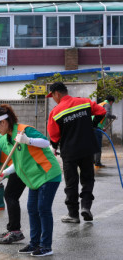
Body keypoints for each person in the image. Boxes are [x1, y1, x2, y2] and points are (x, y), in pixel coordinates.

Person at [0, 104, 62, 257]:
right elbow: (17, 162)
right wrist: (5, 173)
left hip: (47, 174)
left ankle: (46, 246)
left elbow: (46, 143)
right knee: (32, 209)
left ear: (3, 122)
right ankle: (34, 243)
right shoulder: (8, 138)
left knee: (43, 209)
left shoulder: (24, 130)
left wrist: (28, 140)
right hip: (34, 179)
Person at [47, 82, 106, 223]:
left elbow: (54, 135)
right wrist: (93, 124)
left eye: (52, 96)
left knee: (71, 183)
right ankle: (86, 207)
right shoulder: (84, 102)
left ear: (57, 93)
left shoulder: (55, 112)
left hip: (69, 152)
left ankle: (73, 215)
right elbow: (101, 112)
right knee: (87, 179)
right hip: (87, 149)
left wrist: (54, 147)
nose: (53, 99)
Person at [93, 95, 117, 167]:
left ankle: (93, 161)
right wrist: (114, 117)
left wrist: (102, 127)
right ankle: (97, 162)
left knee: (93, 144)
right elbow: (107, 114)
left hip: (92, 125)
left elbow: (98, 116)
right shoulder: (107, 105)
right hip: (96, 127)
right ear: (111, 101)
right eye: (112, 103)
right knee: (98, 145)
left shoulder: (100, 104)